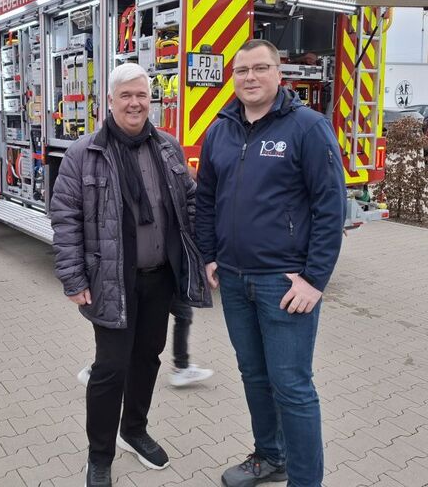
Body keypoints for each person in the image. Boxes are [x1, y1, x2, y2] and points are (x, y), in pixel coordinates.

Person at [50, 63, 211, 487]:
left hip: (160, 278)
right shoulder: (84, 154)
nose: (136, 103)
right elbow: (65, 218)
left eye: (142, 95)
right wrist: (73, 278)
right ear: (110, 101)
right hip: (111, 279)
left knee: (148, 358)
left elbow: (190, 206)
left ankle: (134, 431)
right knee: (110, 368)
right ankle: (99, 454)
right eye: (126, 96)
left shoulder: (169, 148)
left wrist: (203, 258)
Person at [195, 39, 346, 487]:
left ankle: (305, 480)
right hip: (236, 281)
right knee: (254, 376)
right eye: (242, 70)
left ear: (279, 74)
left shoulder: (307, 127)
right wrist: (209, 256)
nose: (250, 77)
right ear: (233, 78)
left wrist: (315, 280)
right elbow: (205, 200)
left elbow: (329, 207)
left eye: (260, 68)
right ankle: (269, 456)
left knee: (293, 388)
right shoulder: (220, 129)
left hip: (285, 285)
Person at [77, 298, 215, 388]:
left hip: (165, 270)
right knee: (136, 329)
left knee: (183, 315)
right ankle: (95, 373)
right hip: (156, 273)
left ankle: (181, 366)